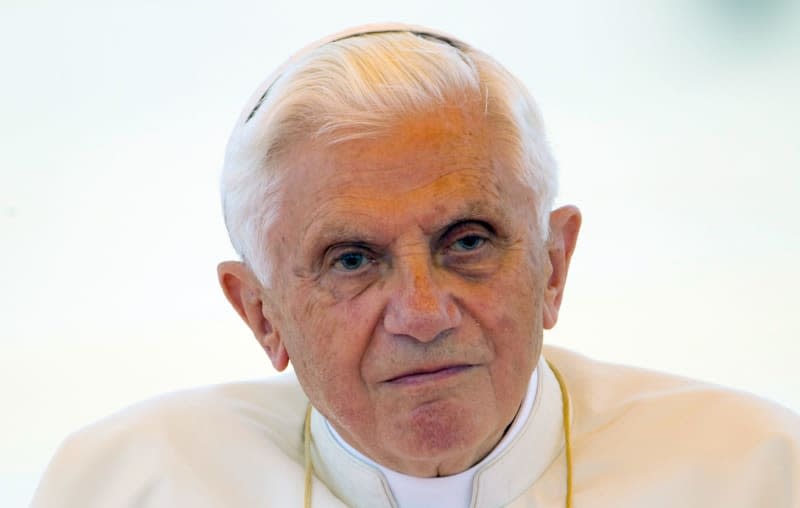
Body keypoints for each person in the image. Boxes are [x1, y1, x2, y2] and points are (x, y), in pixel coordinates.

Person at [32, 23, 799, 508]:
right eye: (353, 259)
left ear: (554, 267)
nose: (423, 314)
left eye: (466, 241)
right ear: (262, 314)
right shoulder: (125, 485)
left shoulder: (755, 474)